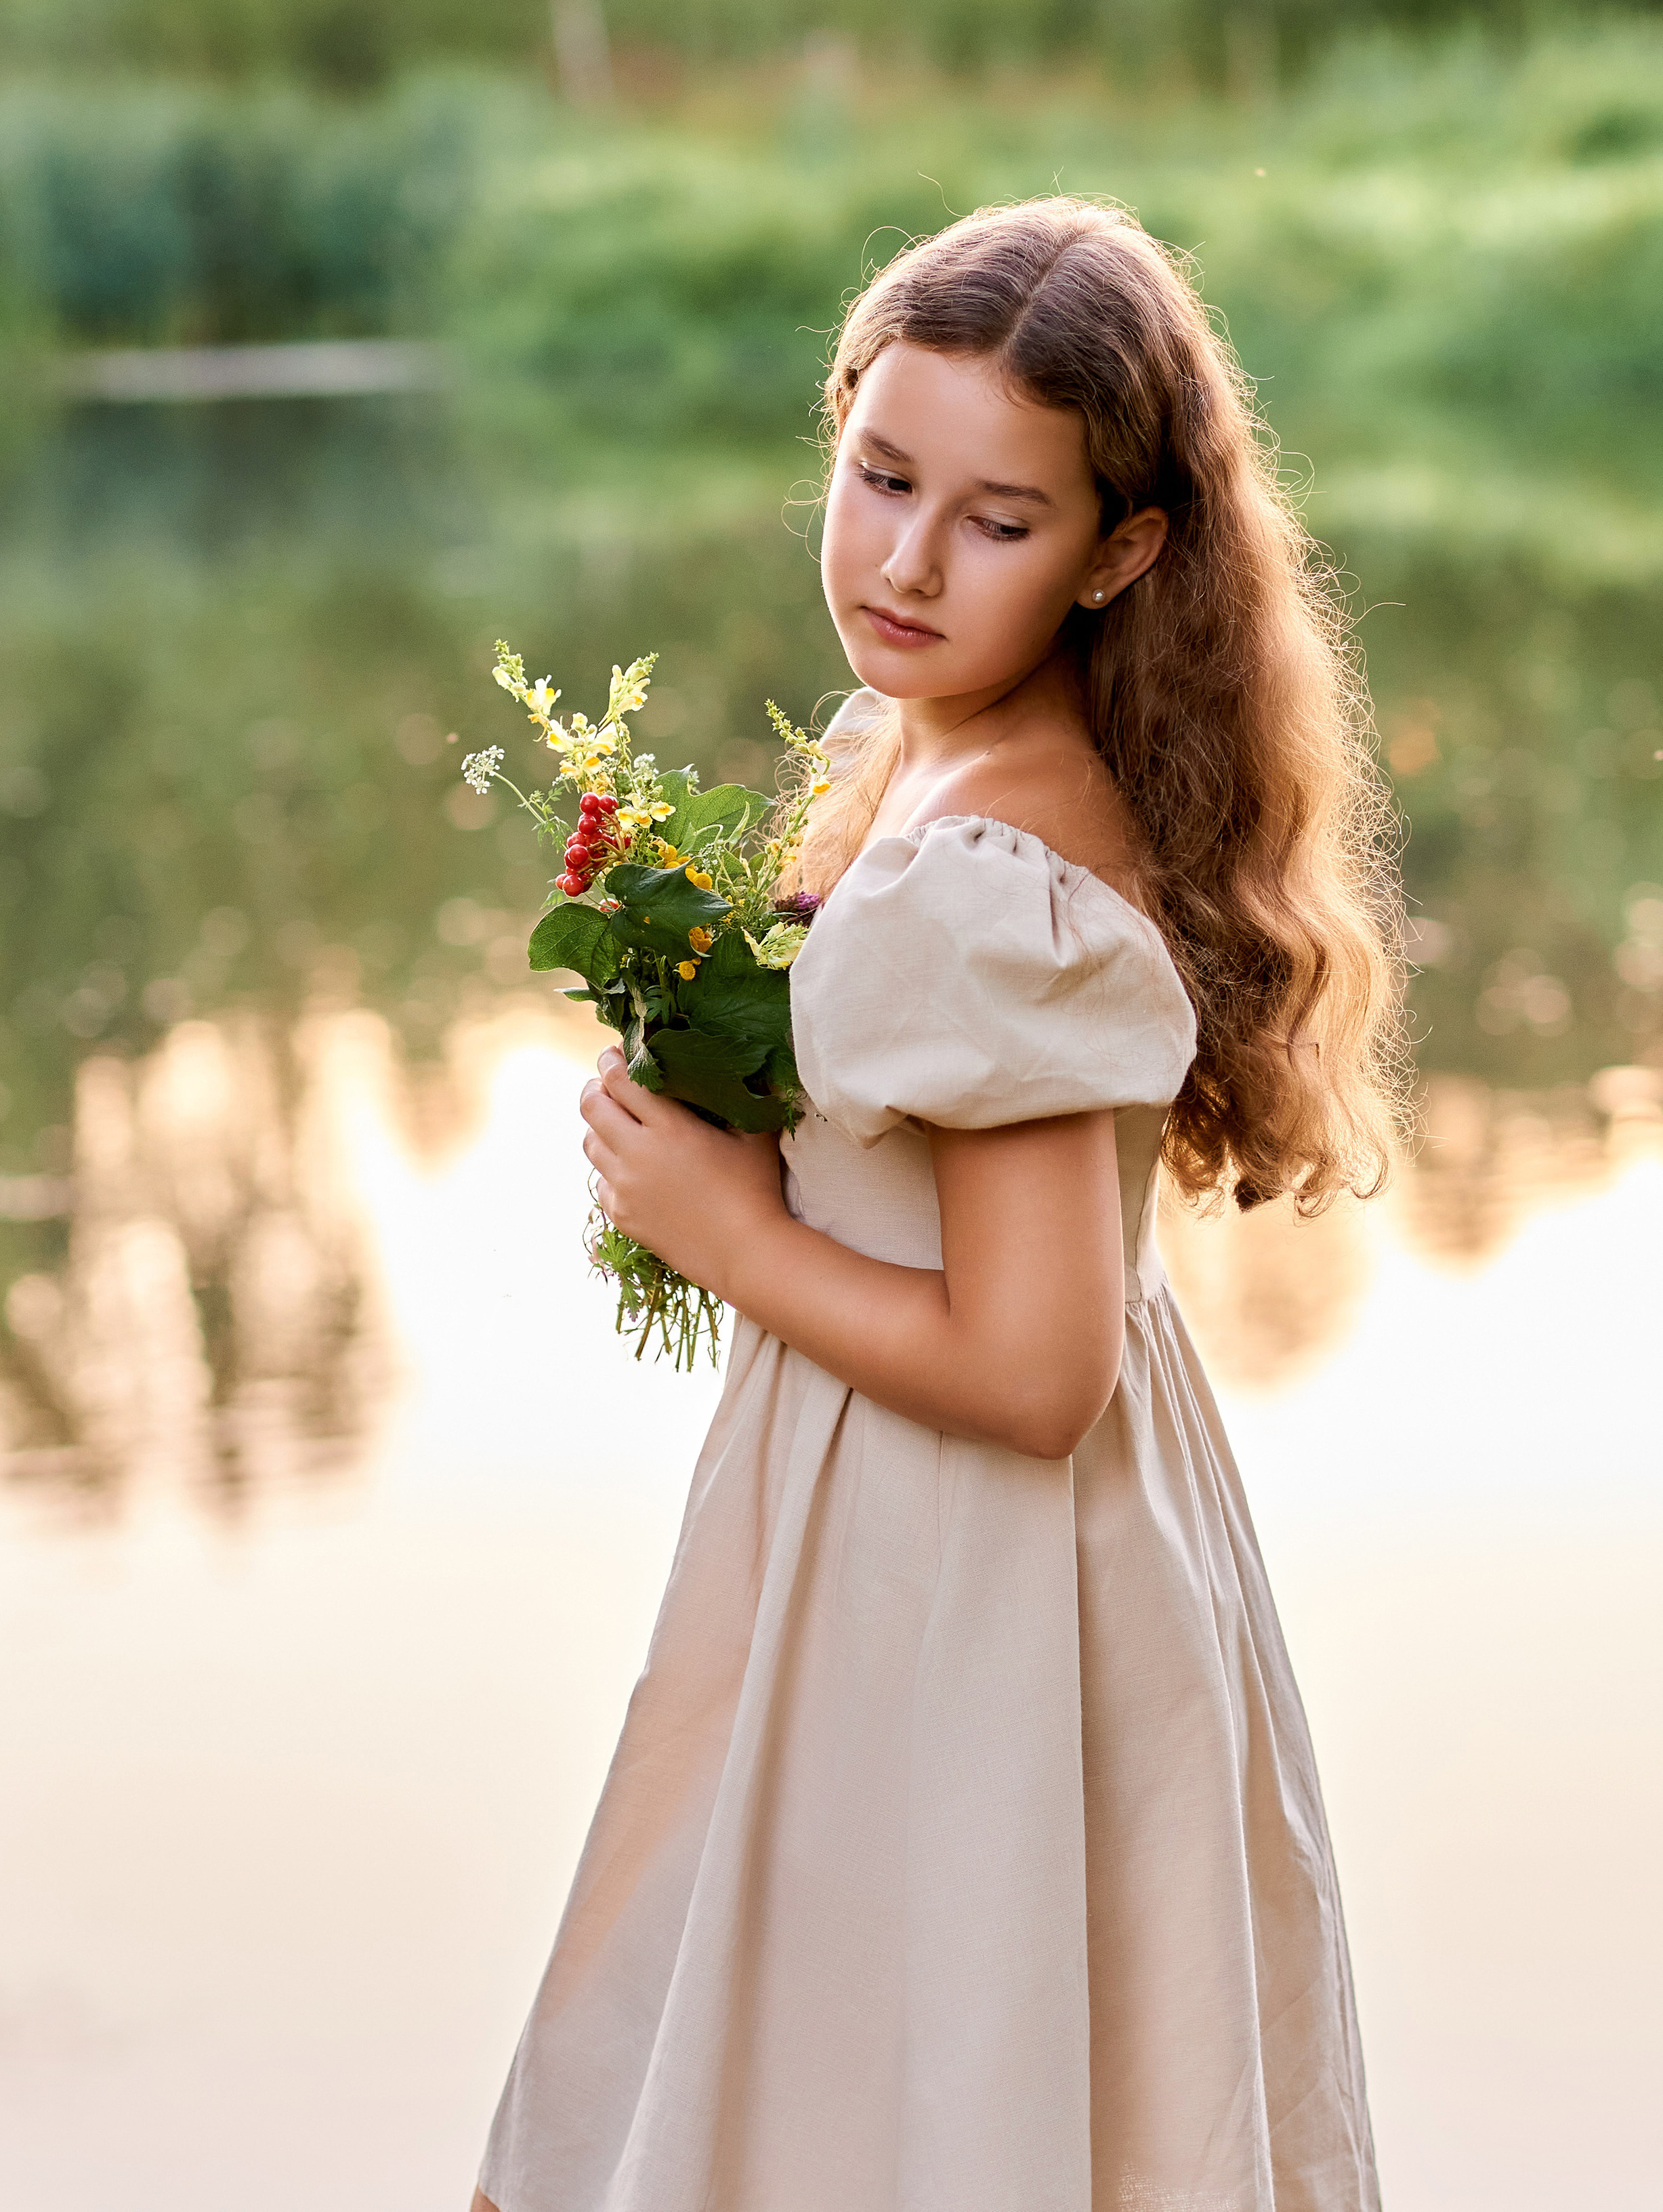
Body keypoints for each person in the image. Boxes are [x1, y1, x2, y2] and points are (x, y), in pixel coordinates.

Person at [473, 197, 1406, 2212]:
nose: (906, 561)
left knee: (942, 2083)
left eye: (998, 521)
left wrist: (732, 1234)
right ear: (837, 430)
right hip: (890, 1521)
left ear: (1119, 553)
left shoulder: (1001, 876)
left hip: (975, 1568)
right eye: (884, 476)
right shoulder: (918, 757)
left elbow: (1039, 1371)